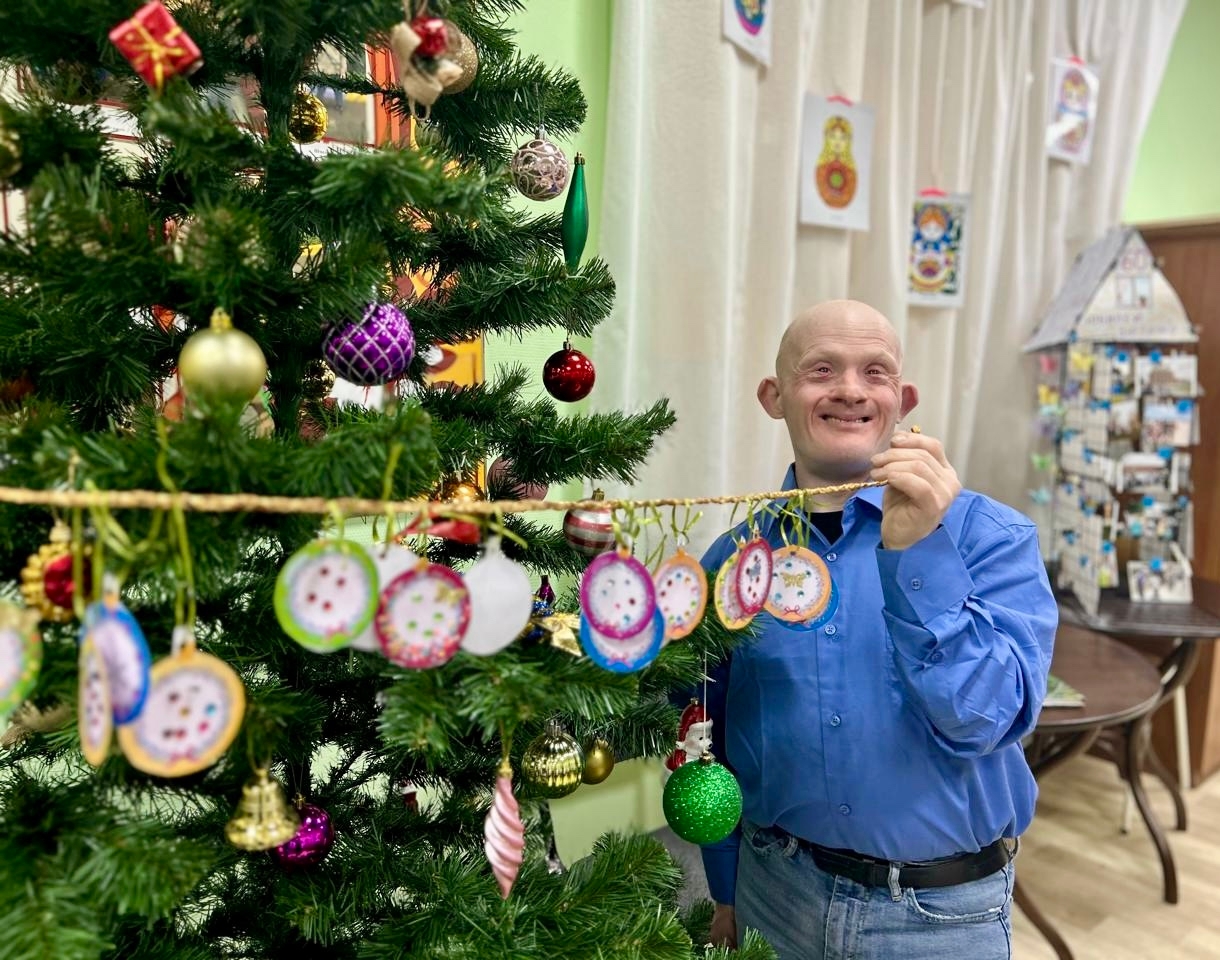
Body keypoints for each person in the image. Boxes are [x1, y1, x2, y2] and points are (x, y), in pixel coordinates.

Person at [695, 299, 1056, 959]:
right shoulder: (733, 563)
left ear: (903, 399)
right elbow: (707, 737)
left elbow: (986, 720)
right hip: (773, 893)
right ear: (774, 397)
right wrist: (726, 884)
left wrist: (918, 554)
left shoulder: (991, 539)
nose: (851, 390)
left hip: (939, 920)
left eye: (875, 372)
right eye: (821, 370)